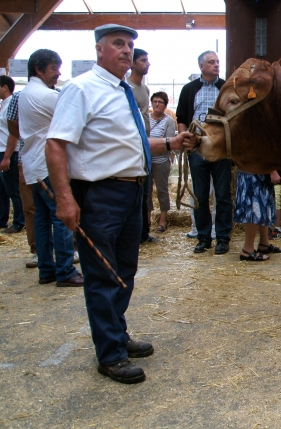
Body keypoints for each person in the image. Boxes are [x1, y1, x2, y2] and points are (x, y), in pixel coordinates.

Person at [46, 24, 195, 384]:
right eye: (118, 44)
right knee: (103, 274)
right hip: (99, 195)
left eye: (130, 45)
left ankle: (117, 333)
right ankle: (109, 355)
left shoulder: (124, 92)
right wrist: (66, 200)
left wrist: (173, 143)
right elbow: (55, 145)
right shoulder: (81, 89)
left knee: (124, 270)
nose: (126, 50)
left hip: (131, 193)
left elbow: (136, 145)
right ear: (99, 50)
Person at [18, 49, 82, 287]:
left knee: (43, 220)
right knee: (60, 219)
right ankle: (65, 271)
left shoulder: (26, 93)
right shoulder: (46, 96)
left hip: (34, 165)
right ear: (39, 69)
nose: (58, 73)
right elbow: (77, 118)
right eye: (54, 68)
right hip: (46, 166)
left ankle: (46, 269)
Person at [176, 51, 232, 255]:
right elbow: (182, 116)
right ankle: (203, 238)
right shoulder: (189, 89)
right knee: (200, 195)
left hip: (219, 147)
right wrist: (185, 139)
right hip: (197, 147)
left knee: (223, 194)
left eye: (217, 62)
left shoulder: (225, 87)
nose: (216, 65)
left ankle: (223, 238)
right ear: (201, 66)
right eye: (211, 62)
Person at [127, 48, 159, 243]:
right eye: (143, 60)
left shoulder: (144, 89)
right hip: (134, 147)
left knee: (146, 191)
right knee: (136, 191)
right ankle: (133, 233)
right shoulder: (127, 88)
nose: (147, 63)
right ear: (132, 63)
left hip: (146, 146)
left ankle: (143, 233)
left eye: (147, 60)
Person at [5, 91, 37, 266]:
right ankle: (37, 250)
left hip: (54, 161)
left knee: (59, 206)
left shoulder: (58, 94)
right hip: (28, 159)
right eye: (53, 69)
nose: (58, 74)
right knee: (31, 207)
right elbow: (13, 128)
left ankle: (66, 249)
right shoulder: (20, 97)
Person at [235, 170, 281, 261]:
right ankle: (247, 250)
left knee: (262, 205)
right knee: (255, 207)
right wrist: (272, 171)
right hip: (253, 170)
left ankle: (264, 243)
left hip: (257, 171)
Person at [147, 92, 176, 232]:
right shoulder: (145, 118)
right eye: (155, 101)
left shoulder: (169, 121)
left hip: (161, 161)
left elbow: (168, 142)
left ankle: (163, 220)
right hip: (147, 161)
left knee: (161, 190)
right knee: (146, 191)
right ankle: (147, 219)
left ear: (165, 105)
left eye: (160, 102)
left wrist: (151, 146)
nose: (157, 104)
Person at [0, 75, 23, 234]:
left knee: (13, 189)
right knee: (2, 189)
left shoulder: (11, 106)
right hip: (2, 150)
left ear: (4, 87)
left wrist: (7, 156)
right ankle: (2, 219)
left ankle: (19, 221)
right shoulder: (3, 105)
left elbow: (13, 133)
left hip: (8, 152)